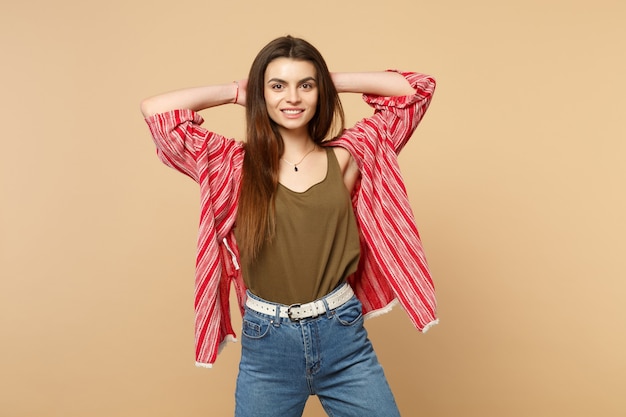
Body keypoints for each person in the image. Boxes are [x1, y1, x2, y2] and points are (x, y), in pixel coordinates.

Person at [141, 35, 438, 417]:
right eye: (278, 86)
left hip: (342, 336)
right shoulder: (234, 166)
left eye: (306, 85)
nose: (292, 98)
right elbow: (155, 112)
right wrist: (235, 90)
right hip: (267, 343)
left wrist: (330, 80)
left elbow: (416, 90)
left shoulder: (348, 156)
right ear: (261, 95)